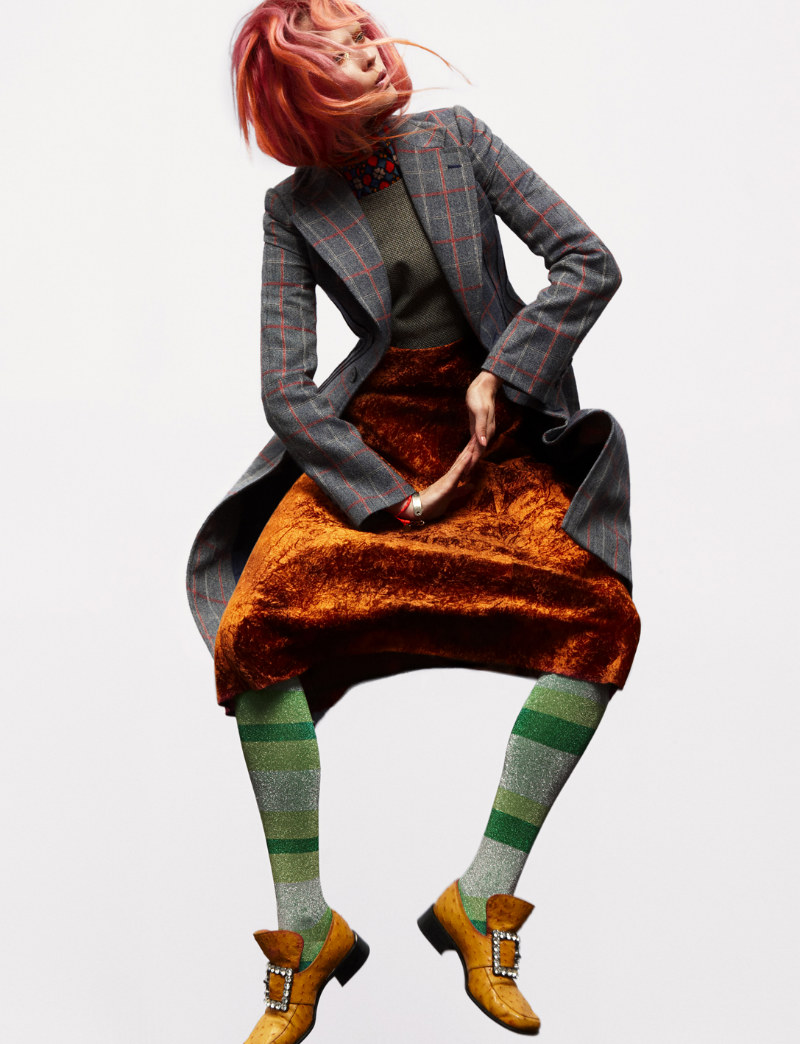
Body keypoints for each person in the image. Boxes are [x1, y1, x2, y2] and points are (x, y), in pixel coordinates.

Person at [185, 1, 641, 1040]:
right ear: (302, 95)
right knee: (256, 628)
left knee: (600, 618)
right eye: (340, 49)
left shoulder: (455, 139)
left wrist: (504, 377)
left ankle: (482, 897)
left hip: (495, 434)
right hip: (374, 436)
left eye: (363, 32)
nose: (371, 50)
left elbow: (587, 262)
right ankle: (305, 931)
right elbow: (288, 390)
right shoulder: (291, 209)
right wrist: (388, 499)